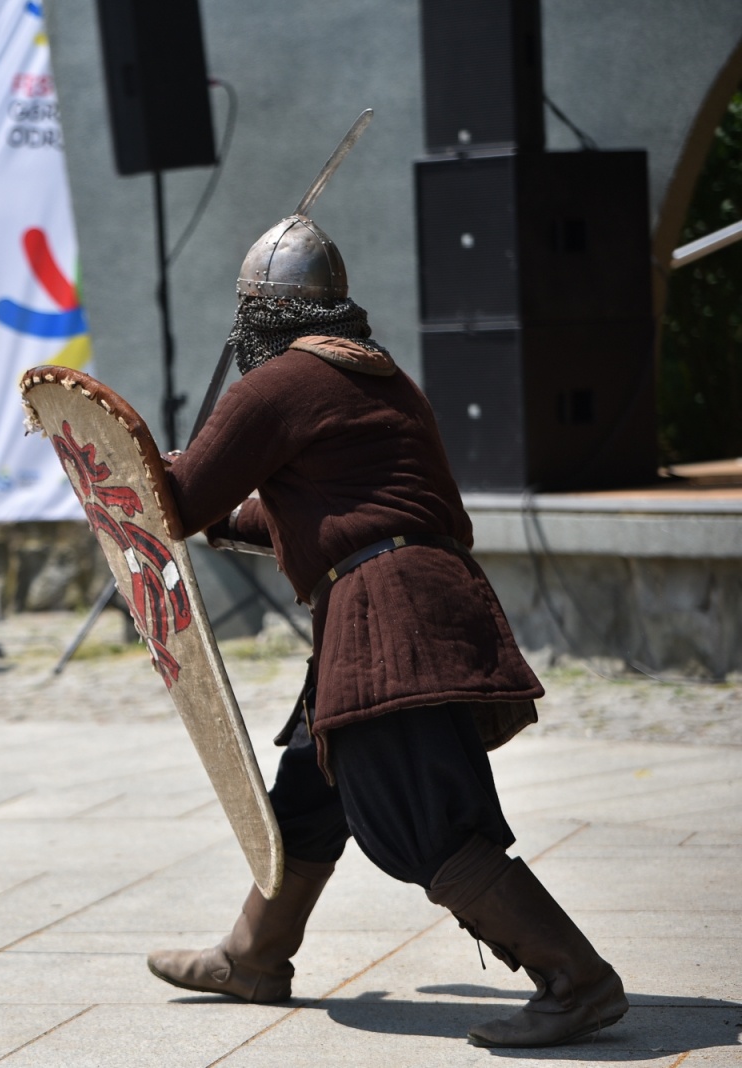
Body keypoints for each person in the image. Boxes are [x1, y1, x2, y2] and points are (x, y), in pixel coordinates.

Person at [144, 213, 628, 1048]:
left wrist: (117, 464)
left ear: (257, 316)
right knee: (307, 786)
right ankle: (253, 955)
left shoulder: (276, 386)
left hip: (385, 619)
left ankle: (576, 979)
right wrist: (231, 520)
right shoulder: (378, 377)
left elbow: (176, 501)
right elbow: (348, 511)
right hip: (410, 594)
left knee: (425, 821)